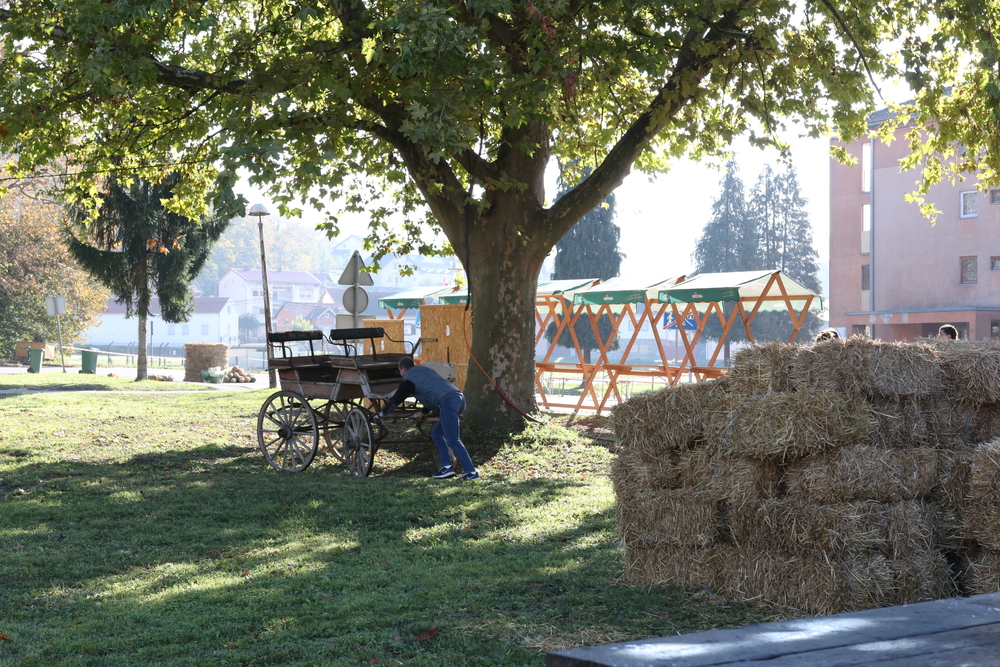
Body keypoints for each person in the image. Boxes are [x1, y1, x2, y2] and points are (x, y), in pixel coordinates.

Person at [375, 357, 479, 481]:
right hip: (458, 399)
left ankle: (471, 473)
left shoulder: (409, 380)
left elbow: (397, 399)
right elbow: (432, 392)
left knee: (453, 440)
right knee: (436, 433)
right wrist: (423, 412)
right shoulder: (425, 371)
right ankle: (447, 467)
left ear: (402, 369)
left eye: (400, 371)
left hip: (448, 402)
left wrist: (382, 414)